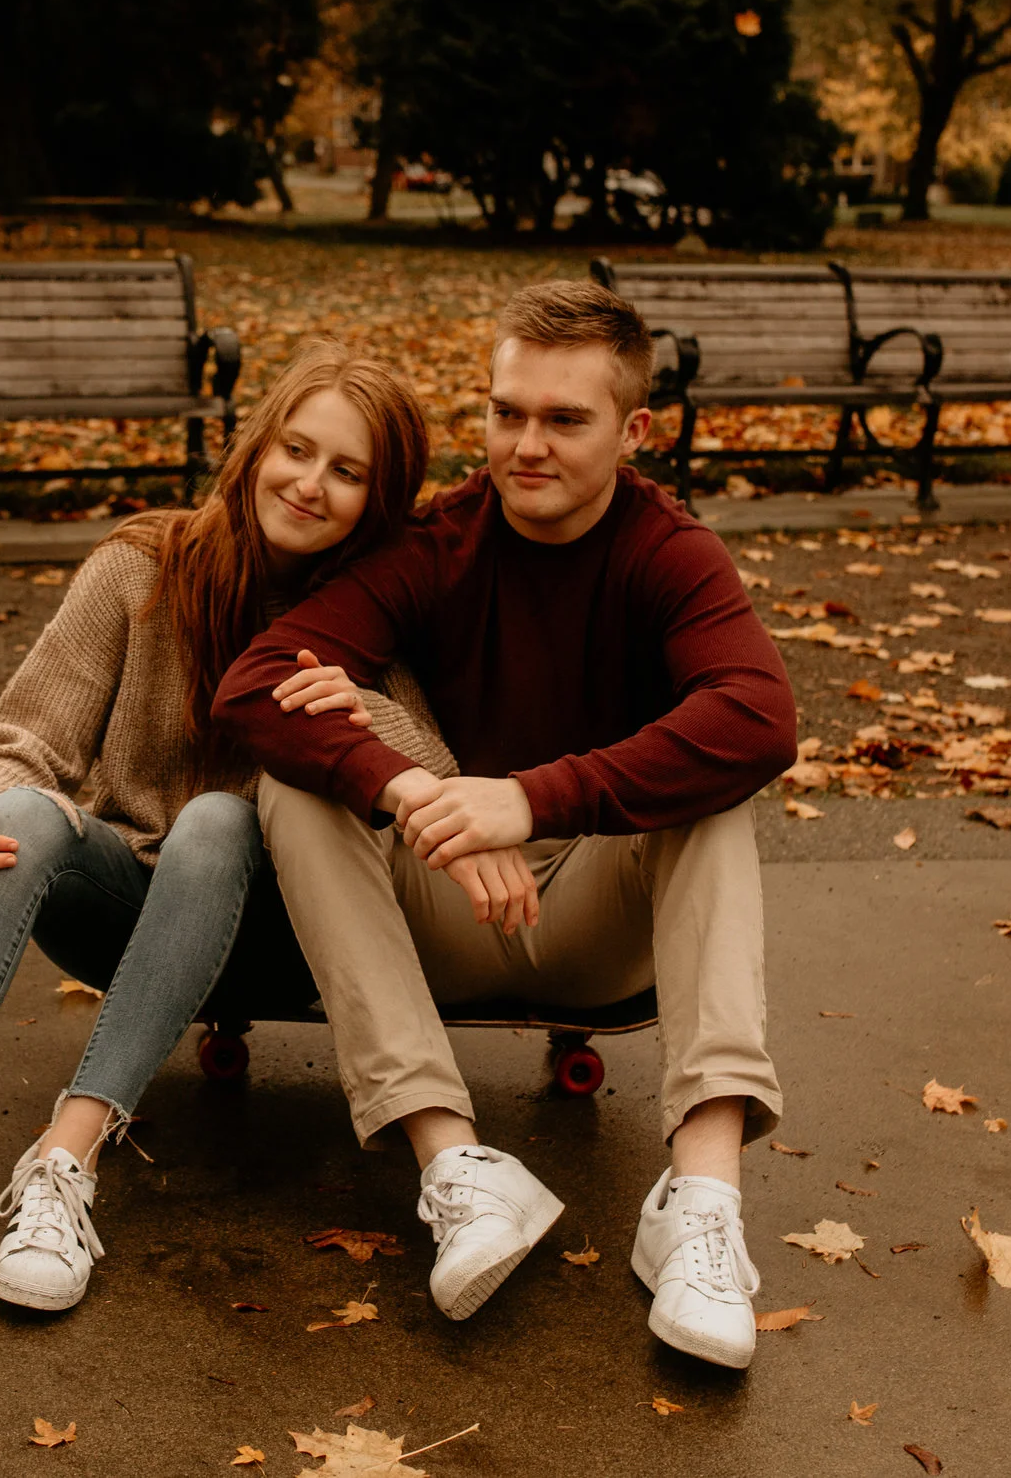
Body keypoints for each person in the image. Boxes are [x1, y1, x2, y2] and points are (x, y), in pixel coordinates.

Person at [0, 340, 454, 1316]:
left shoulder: (373, 609)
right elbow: (26, 744)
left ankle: (65, 1159)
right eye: (296, 448)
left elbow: (444, 783)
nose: (310, 483)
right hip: (124, 910)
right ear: (256, 446)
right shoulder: (141, 567)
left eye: (347, 471)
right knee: (20, 812)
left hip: (287, 939)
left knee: (218, 820)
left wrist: (366, 714)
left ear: (380, 497)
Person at [211, 280, 798, 1370]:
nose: (526, 445)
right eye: (506, 412)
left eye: (564, 419)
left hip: (595, 911)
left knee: (713, 791)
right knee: (297, 780)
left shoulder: (668, 550)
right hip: (437, 900)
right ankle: (460, 1169)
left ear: (634, 430)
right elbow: (255, 684)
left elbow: (760, 715)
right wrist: (411, 791)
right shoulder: (438, 542)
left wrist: (528, 796)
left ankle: (702, 1208)